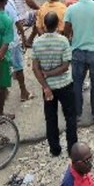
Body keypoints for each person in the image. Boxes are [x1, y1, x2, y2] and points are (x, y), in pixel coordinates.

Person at [32, 12, 77, 157]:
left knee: (50, 118)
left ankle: (55, 149)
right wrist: (51, 73)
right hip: (65, 85)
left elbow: (35, 68)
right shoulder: (63, 41)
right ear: (58, 24)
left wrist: (46, 85)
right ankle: (72, 149)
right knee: (70, 117)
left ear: (44, 25)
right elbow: (65, 66)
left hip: (48, 88)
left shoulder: (37, 43)